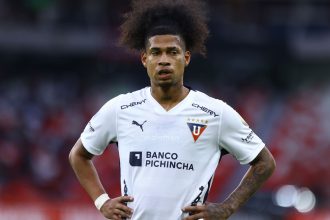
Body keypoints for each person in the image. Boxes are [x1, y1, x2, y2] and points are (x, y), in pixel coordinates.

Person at [68, 0, 276, 219]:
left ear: (185, 58)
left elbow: (265, 162)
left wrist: (228, 207)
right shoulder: (120, 108)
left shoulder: (215, 113)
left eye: (172, 52)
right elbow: (78, 155)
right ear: (144, 59)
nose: (164, 61)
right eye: (156, 53)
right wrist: (102, 202)